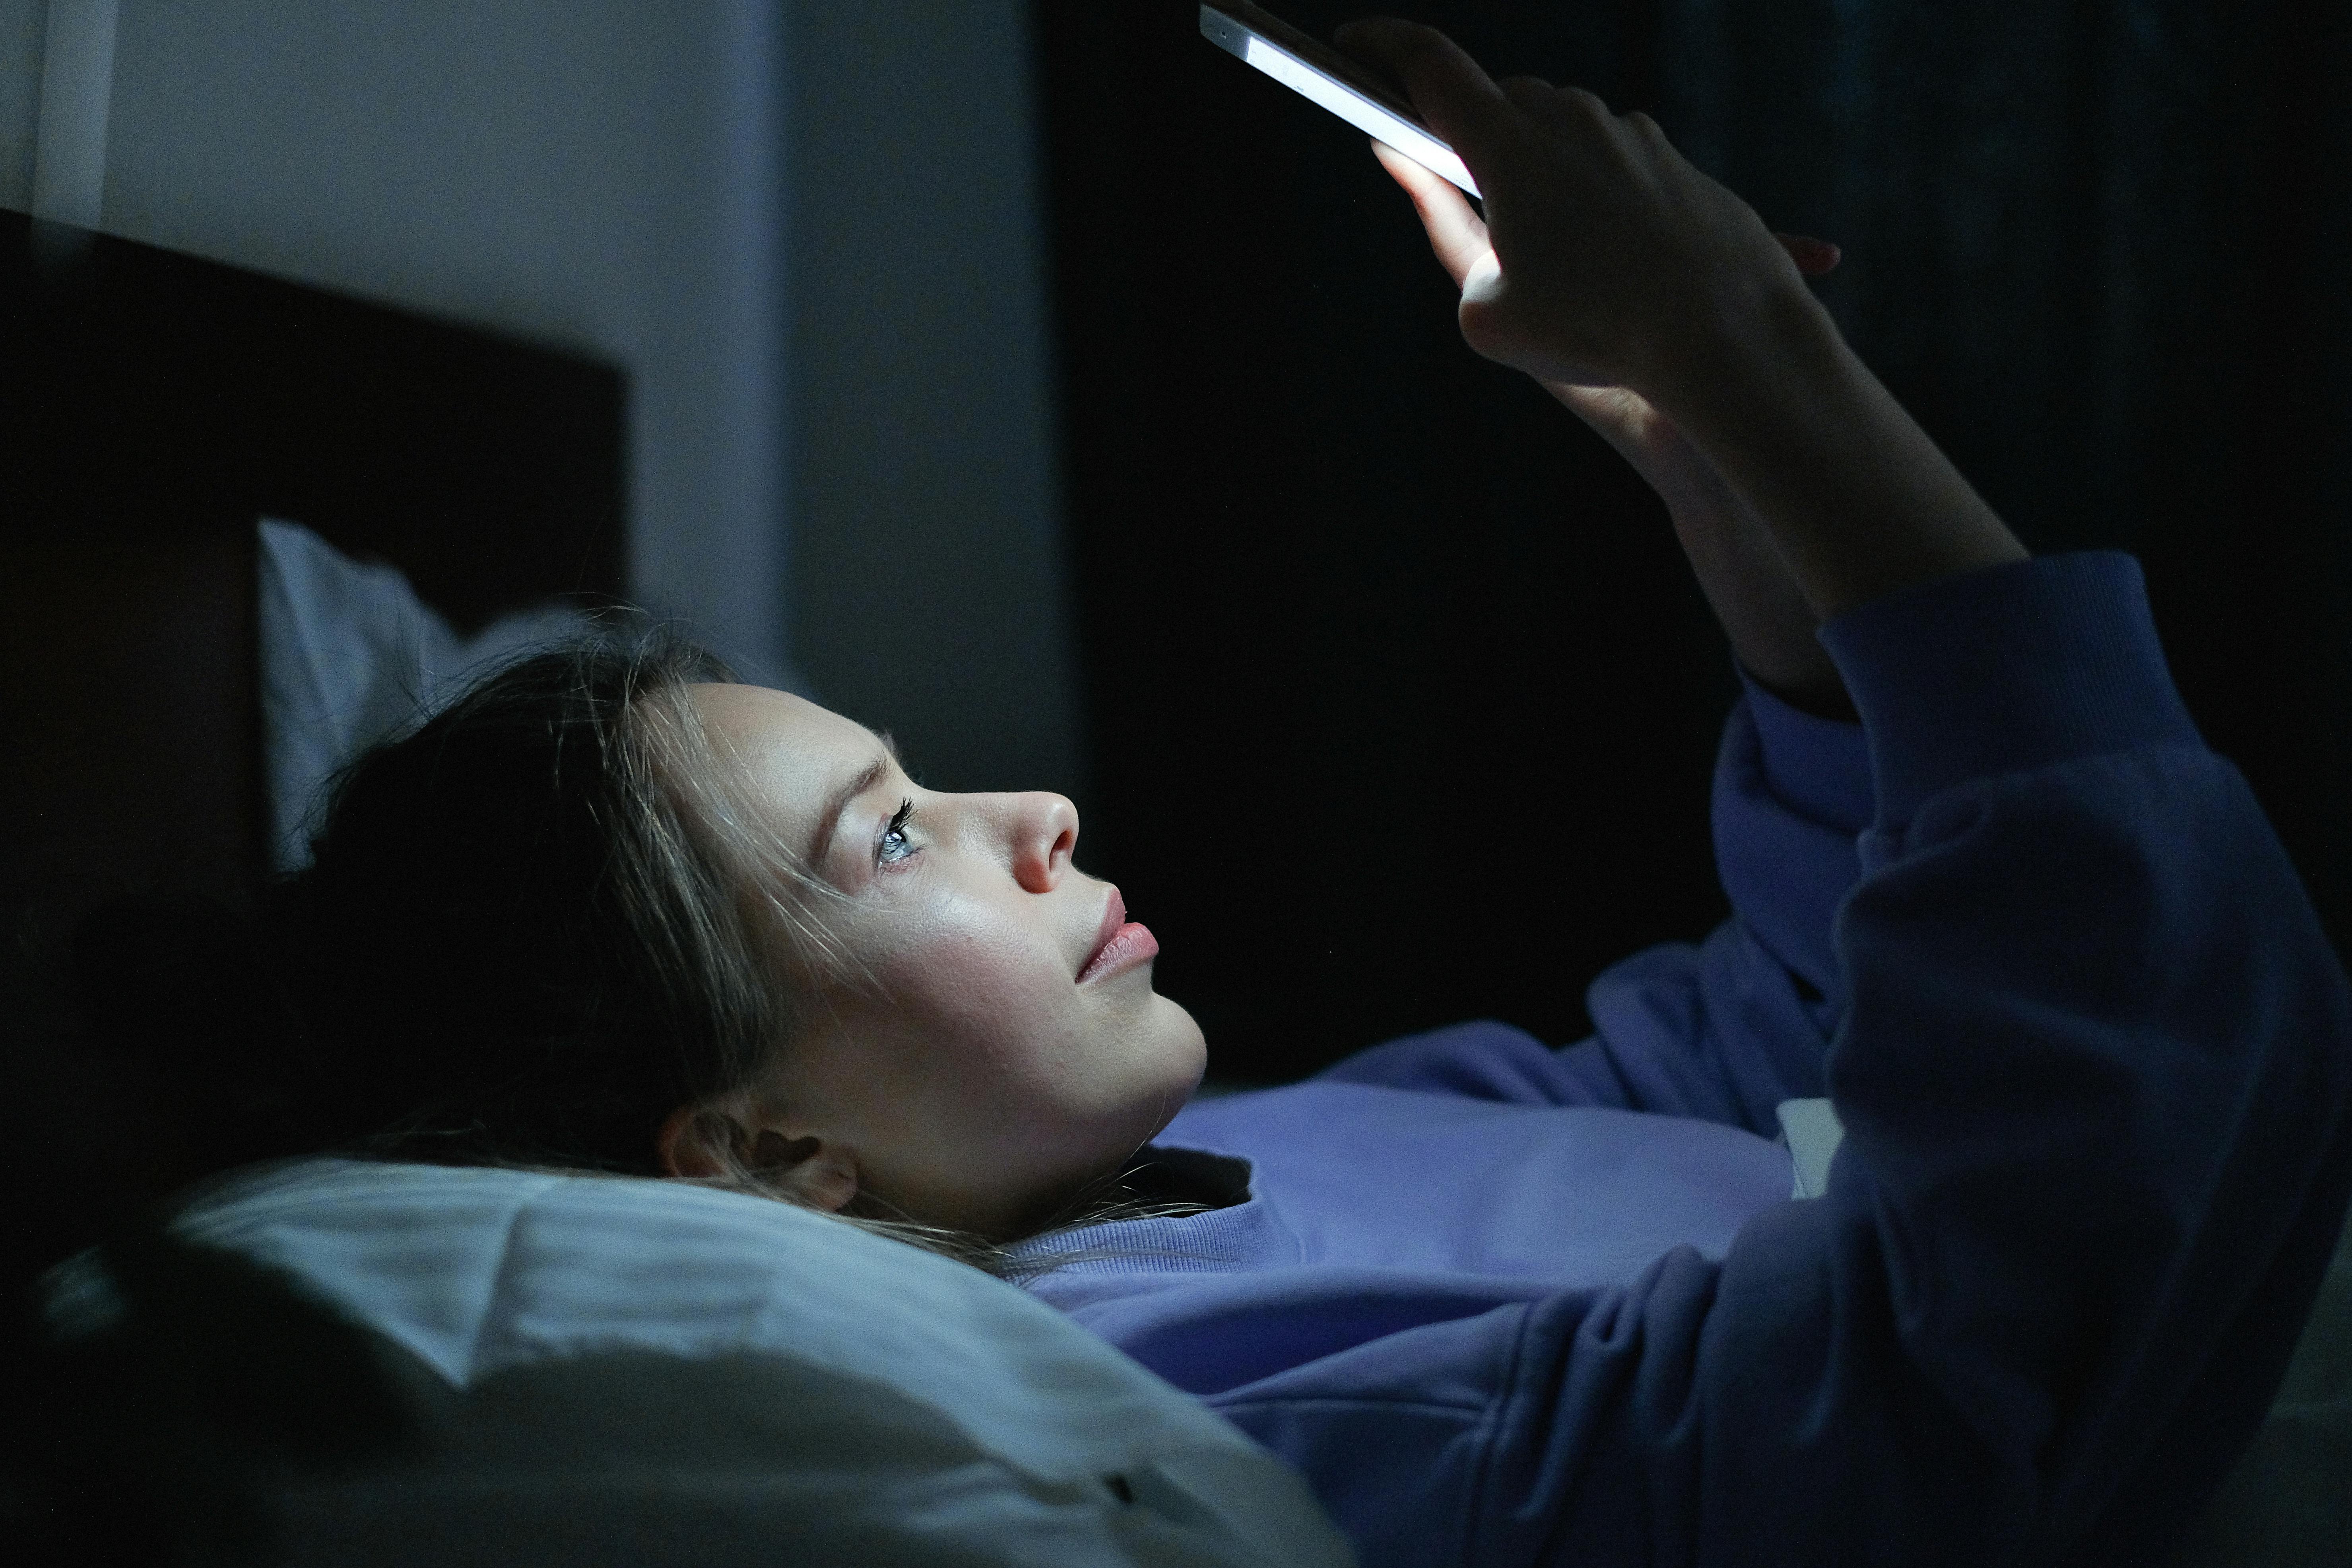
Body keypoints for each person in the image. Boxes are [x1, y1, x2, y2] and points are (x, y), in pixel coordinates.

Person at [186, 17, 2348, 1567]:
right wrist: (1762, 363)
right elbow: (2005, 1313)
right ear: (766, 1148)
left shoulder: (1189, 1171)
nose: (1034, 802)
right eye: (898, 831)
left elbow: (1763, 1040)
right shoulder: (1173, 1430)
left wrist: (1683, 439)